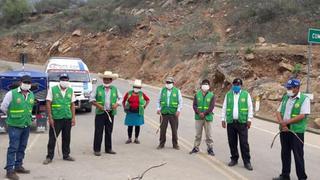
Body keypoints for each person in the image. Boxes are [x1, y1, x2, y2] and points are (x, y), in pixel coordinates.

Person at [273, 79, 310, 180]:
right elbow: (278, 112)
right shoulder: (285, 97)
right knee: (285, 154)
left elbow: (302, 115)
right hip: (284, 130)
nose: (288, 90)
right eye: (287, 88)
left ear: (297, 88)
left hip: (296, 132)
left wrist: (287, 123)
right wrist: (282, 123)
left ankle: (302, 178)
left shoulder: (304, 99)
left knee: (298, 156)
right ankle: (285, 175)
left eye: (290, 88)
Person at [1, 75, 35, 180]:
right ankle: (10, 170)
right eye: (25, 82)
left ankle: (18, 165)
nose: (27, 84)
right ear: (20, 82)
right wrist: (13, 116)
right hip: (14, 125)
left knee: (22, 146)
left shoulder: (31, 94)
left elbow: (29, 108)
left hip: (26, 125)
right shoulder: (11, 93)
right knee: (13, 148)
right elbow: (3, 107)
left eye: (29, 82)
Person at [43, 73, 76, 165]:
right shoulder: (53, 89)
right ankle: (49, 157)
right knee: (52, 138)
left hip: (67, 118)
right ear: (59, 80)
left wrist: (73, 117)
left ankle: (66, 155)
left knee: (66, 137)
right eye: (63, 79)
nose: (64, 81)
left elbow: (72, 104)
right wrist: (50, 116)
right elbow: (48, 102)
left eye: (66, 79)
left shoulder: (70, 90)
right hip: (56, 118)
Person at [221, 78, 253, 171]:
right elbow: (224, 107)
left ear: (241, 86)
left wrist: (249, 119)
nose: (236, 86)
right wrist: (223, 119)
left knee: (244, 143)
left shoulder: (245, 95)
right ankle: (234, 159)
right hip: (231, 122)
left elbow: (250, 107)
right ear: (232, 85)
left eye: (238, 85)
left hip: (242, 122)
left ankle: (247, 161)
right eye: (234, 85)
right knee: (232, 142)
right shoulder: (228, 95)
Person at [90, 71, 122, 156]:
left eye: (108, 79)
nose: (106, 81)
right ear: (103, 79)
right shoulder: (97, 88)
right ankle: (97, 149)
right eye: (105, 79)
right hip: (100, 113)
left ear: (111, 80)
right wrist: (98, 105)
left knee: (109, 131)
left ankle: (108, 148)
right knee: (98, 131)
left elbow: (121, 98)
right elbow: (91, 99)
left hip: (110, 113)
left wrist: (117, 104)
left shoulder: (115, 89)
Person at [190, 79, 215, 156]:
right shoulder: (197, 95)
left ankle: (210, 148)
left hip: (208, 118)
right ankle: (196, 147)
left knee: (209, 135)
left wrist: (204, 113)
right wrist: (199, 113)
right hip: (199, 117)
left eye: (206, 84)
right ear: (201, 86)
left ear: (209, 86)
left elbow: (211, 107)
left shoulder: (212, 95)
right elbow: (194, 105)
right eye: (204, 84)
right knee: (198, 134)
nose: (205, 86)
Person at [156, 77, 183, 150]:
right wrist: (158, 108)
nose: (168, 84)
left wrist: (178, 110)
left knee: (174, 130)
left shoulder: (177, 91)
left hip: (173, 113)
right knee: (163, 129)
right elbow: (158, 101)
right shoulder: (162, 90)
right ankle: (161, 144)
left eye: (169, 83)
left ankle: (175, 144)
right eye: (167, 82)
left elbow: (180, 102)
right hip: (164, 113)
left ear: (173, 83)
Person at [122, 79, 150, 144]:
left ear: (140, 88)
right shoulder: (128, 93)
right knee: (130, 125)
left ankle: (136, 139)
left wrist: (144, 106)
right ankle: (129, 138)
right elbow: (123, 101)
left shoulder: (142, 94)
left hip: (138, 112)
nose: (137, 88)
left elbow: (148, 100)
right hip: (130, 112)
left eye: (138, 87)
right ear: (133, 87)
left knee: (137, 125)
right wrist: (124, 108)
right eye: (136, 87)